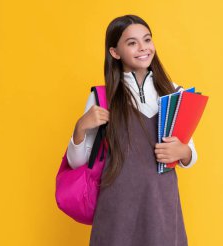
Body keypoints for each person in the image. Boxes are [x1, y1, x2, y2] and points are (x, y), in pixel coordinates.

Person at [66, 15, 198, 246]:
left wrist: (183, 152)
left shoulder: (175, 93)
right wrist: (80, 127)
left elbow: (190, 155)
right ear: (115, 52)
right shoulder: (101, 97)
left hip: (161, 205)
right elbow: (78, 163)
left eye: (147, 40)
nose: (143, 48)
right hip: (116, 208)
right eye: (132, 43)